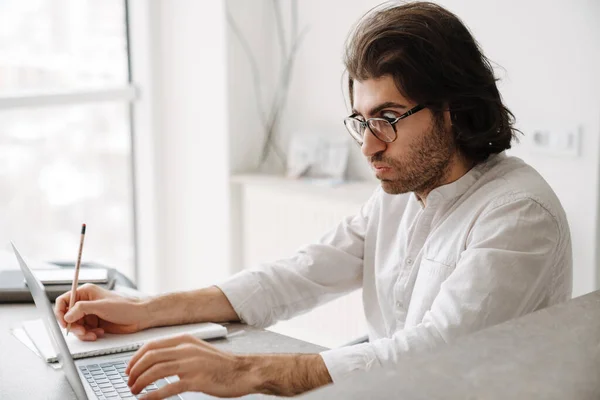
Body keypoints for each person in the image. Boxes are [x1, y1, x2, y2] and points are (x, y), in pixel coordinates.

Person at [54, 2, 572, 399]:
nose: (369, 146)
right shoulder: (400, 191)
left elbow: (435, 353)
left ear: (453, 111)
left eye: (388, 119)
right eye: (362, 122)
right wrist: (146, 310)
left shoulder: (518, 214)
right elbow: (299, 273)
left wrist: (243, 371)